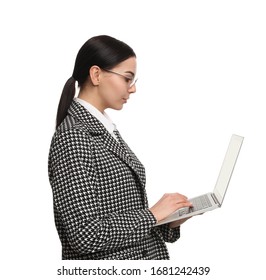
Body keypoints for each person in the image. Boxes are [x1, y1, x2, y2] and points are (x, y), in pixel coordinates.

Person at [48, 35, 193, 260]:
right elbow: (85, 234)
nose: (132, 88)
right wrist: (152, 214)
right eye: (127, 78)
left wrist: (168, 221)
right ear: (96, 74)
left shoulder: (103, 127)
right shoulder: (73, 136)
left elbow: (121, 213)